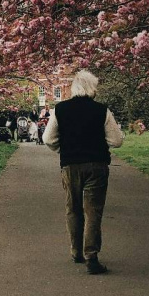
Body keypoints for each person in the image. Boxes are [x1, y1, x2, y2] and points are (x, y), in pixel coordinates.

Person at [43, 70, 123, 275]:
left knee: (73, 209)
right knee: (92, 210)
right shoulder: (102, 111)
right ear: (92, 88)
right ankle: (91, 256)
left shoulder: (60, 109)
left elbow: (48, 139)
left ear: (74, 89)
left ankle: (76, 250)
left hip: (70, 165)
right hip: (96, 165)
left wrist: (65, 149)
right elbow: (116, 140)